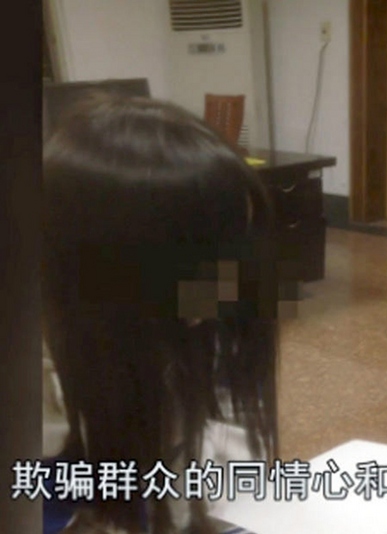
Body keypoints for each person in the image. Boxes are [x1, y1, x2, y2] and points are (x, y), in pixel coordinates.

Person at [42, 92, 280, 534]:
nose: (228, 285)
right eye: (196, 265)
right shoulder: (41, 383)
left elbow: (230, 461)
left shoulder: (203, 318)